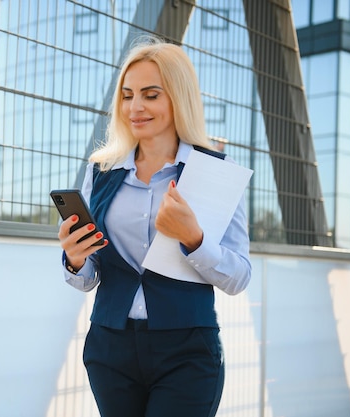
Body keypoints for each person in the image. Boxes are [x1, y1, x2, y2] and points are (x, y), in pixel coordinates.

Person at [57, 37, 251, 417]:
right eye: (127, 95)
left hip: (187, 351)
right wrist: (75, 260)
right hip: (110, 348)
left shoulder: (216, 174)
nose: (135, 107)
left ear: (178, 98)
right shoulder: (100, 172)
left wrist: (193, 238)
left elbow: (239, 276)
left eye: (151, 94)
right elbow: (88, 276)